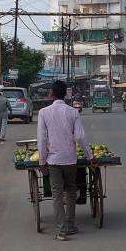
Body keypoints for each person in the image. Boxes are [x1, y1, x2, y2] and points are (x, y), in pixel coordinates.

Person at [37, 80, 94, 241]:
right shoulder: (73, 112)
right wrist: (89, 156)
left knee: (57, 194)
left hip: (53, 160)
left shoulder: (43, 112)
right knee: (70, 191)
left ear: (52, 94)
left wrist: (42, 161)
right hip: (70, 159)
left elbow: (42, 139)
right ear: (65, 94)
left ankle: (62, 230)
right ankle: (70, 226)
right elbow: (80, 137)